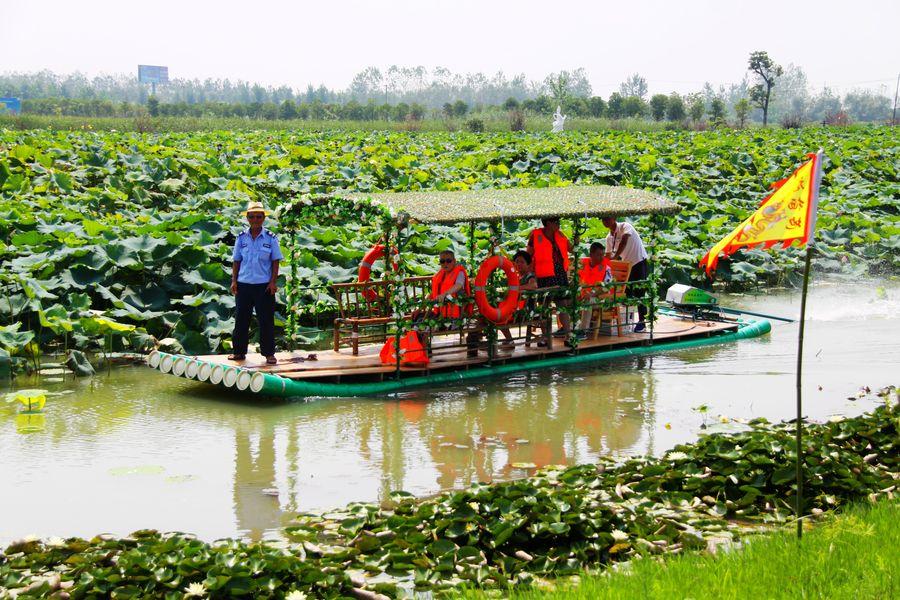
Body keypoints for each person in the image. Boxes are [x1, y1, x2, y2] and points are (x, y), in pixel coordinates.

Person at [230, 201, 283, 364]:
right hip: (244, 284)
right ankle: (239, 352)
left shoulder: (271, 238)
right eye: (252, 216)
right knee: (241, 319)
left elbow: (275, 261)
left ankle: (269, 354)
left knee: (266, 320)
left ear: (263, 218)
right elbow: (237, 260)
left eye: (259, 217)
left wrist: (273, 282)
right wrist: (234, 281)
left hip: (263, 286)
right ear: (247, 218)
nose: (255, 219)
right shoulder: (241, 238)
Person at [466, 250, 538, 357]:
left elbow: (534, 286)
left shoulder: (530, 276)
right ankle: (477, 340)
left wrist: (517, 289)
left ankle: (504, 340)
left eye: (522, 262)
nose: (519, 264)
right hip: (514, 308)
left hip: (524, 311)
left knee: (498, 316)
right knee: (490, 314)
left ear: (528, 264)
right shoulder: (517, 277)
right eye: (517, 262)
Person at [602, 216, 650, 332]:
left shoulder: (625, 227)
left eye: (608, 218)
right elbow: (608, 256)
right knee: (626, 292)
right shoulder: (609, 237)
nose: (605, 221)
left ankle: (642, 321)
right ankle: (627, 319)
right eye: (603, 219)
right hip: (626, 266)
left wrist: (616, 256)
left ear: (614, 218)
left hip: (638, 261)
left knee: (640, 292)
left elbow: (624, 241)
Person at [527, 217, 572, 337]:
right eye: (556, 222)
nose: (558, 224)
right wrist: (530, 274)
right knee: (545, 306)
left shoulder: (560, 234)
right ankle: (545, 336)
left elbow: (572, 249)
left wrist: (576, 240)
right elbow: (528, 255)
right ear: (548, 223)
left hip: (560, 273)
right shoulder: (535, 235)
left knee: (562, 304)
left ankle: (568, 334)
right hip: (543, 275)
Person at [577, 242, 613, 335]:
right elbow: (577, 281)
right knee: (568, 300)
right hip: (584, 295)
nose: (601, 257)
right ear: (591, 255)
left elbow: (606, 287)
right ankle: (567, 329)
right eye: (598, 255)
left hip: (603, 298)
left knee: (587, 301)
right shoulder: (584, 264)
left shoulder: (606, 267)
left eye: (603, 254)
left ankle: (583, 332)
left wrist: (592, 294)